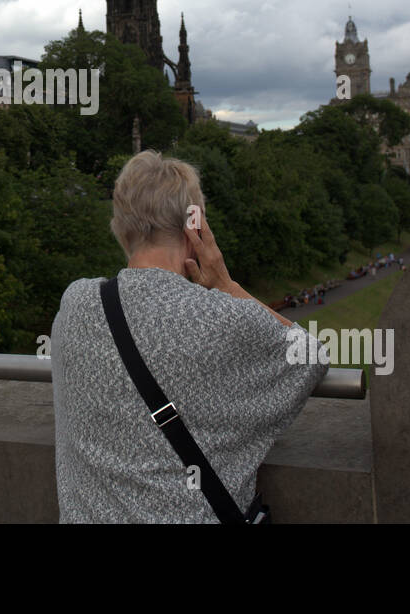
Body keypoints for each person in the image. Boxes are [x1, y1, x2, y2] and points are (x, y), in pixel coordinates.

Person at [51, 150, 329, 523]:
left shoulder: (75, 303)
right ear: (194, 229)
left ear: (121, 227)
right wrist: (228, 285)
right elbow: (310, 355)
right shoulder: (220, 317)